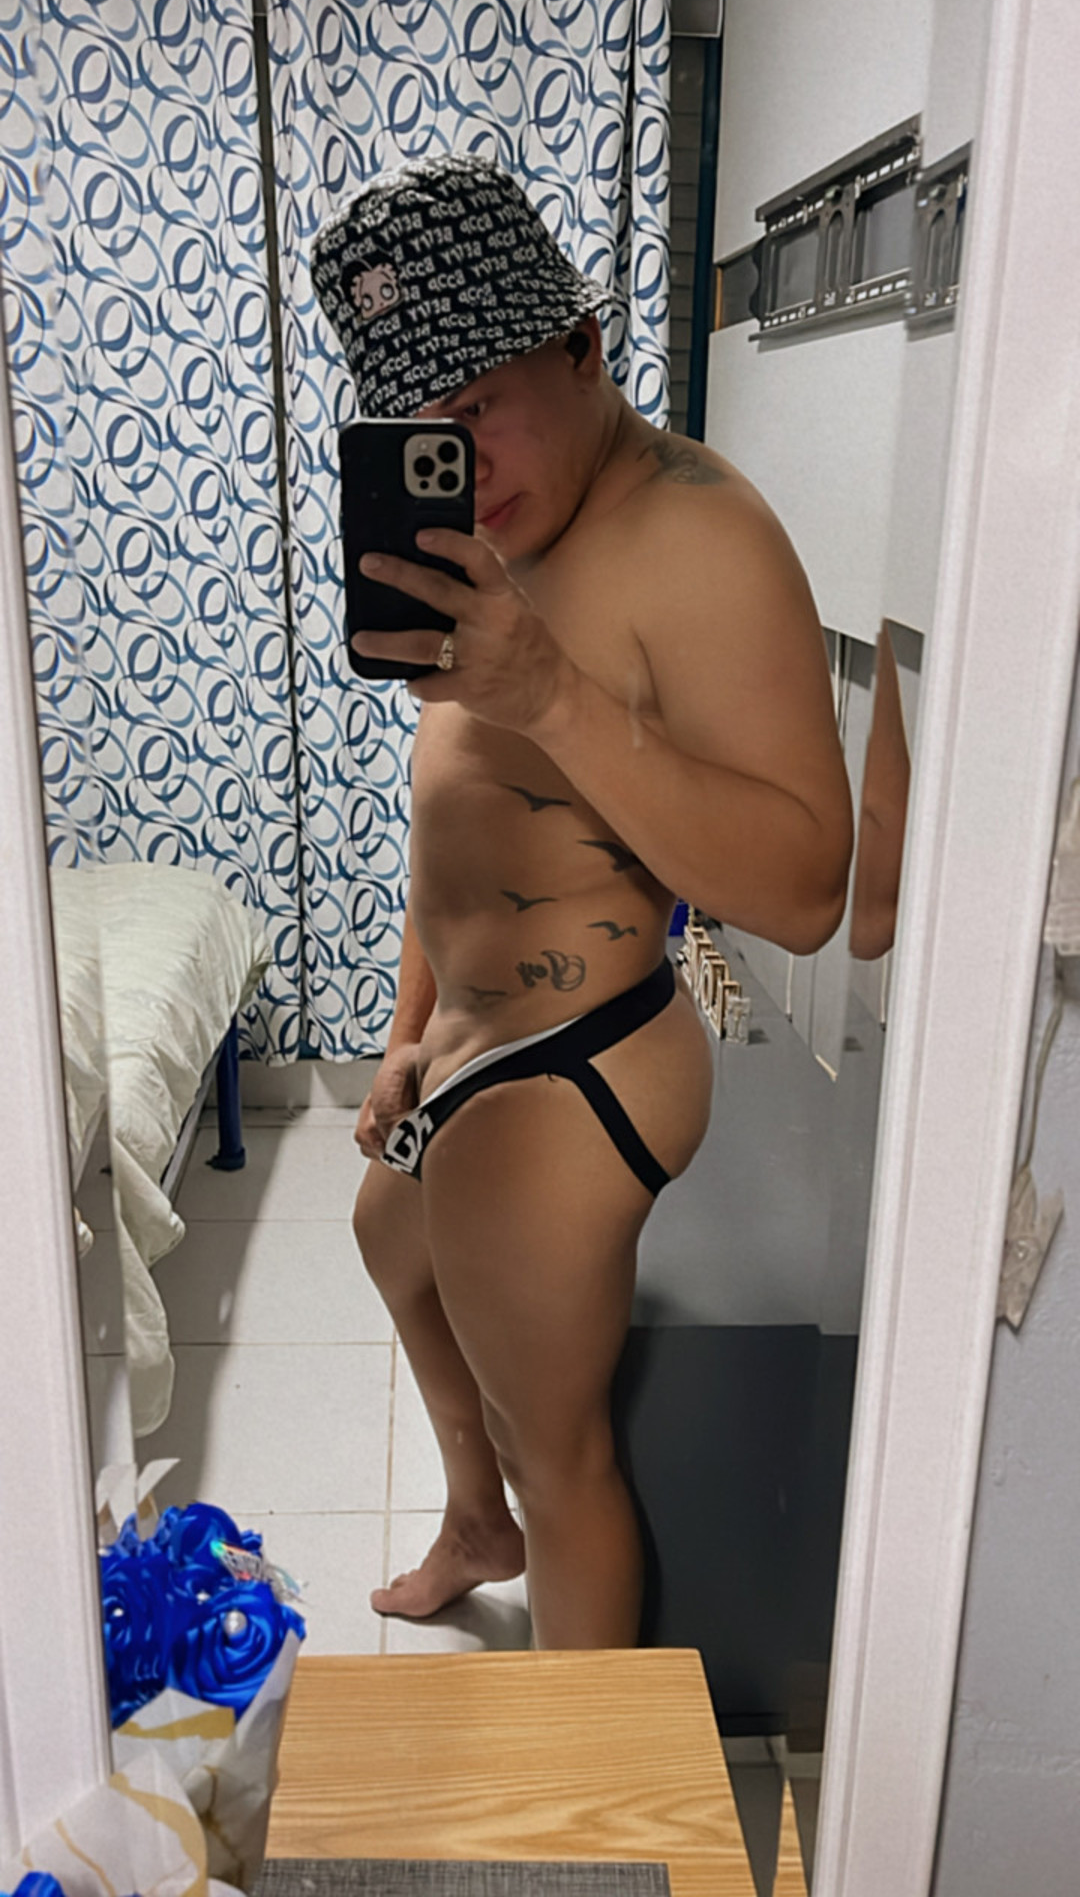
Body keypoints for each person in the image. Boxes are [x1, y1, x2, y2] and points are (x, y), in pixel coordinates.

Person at [312, 154, 853, 1649]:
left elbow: (809, 887)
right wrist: (410, 1032)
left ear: (585, 347)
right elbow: (464, 817)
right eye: (424, 427)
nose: (462, 456)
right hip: (472, 1037)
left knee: (563, 1460)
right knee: (389, 1237)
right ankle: (472, 1521)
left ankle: (576, 1777)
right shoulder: (503, 529)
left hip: (584, 1055)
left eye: (481, 403)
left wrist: (550, 690)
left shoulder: (697, 537)